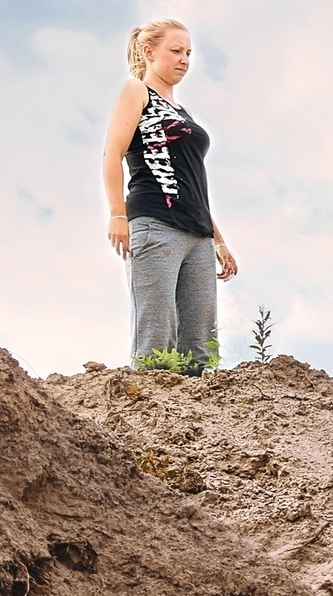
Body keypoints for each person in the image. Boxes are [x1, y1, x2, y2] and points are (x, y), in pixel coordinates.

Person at [101, 20, 237, 369]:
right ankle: (146, 415)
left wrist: (218, 241)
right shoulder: (137, 92)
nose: (184, 59)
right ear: (149, 52)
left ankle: (195, 419)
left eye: (188, 53)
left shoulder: (185, 114)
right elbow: (112, 153)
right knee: (157, 335)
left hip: (198, 234)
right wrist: (118, 214)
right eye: (176, 51)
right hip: (155, 223)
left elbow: (196, 183)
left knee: (201, 345)